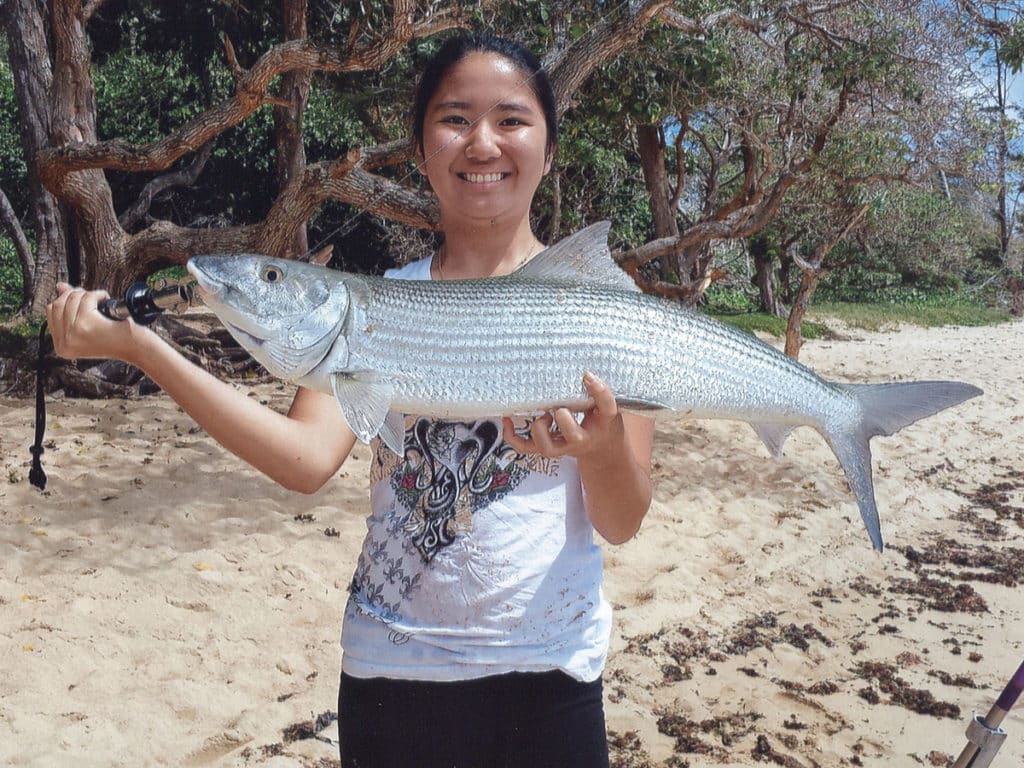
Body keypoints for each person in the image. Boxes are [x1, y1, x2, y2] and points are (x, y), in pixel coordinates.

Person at [46, 32, 654, 768]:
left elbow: (621, 521)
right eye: (455, 118)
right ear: (423, 147)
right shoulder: (371, 307)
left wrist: (602, 446)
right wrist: (148, 349)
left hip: (551, 678)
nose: (482, 142)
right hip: (391, 680)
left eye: (512, 120)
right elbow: (304, 462)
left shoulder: (615, 315)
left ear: (550, 149)